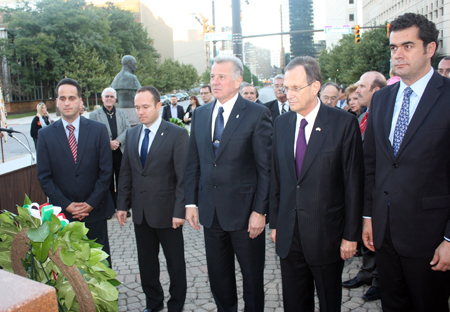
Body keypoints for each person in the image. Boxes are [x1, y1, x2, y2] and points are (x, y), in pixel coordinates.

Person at [363, 13, 450, 312]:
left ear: (430, 49)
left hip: (431, 238)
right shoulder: (382, 99)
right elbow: (371, 164)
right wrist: (368, 217)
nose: (397, 54)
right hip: (385, 236)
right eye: (393, 47)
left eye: (407, 45)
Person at [269, 56, 364, 312]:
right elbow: (277, 178)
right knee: (294, 303)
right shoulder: (281, 124)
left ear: (315, 87)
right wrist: (276, 223)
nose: (288, 94)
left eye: (295, 88)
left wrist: (350, 236)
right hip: (289, 235)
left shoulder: (343, 124)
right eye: (285, 88)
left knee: (328, 302)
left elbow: (354, 184)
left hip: (327, 236)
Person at [185, 55, 272, 312]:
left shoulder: (257, 114)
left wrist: (260, 211)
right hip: (211, 215)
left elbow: (265, 169)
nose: (215, 82)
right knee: (219, 279)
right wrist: (191, 202)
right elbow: (193, 163)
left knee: (252, 278)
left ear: (238, 80)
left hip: (246, 216)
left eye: (221, 76)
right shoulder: (200, 115)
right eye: (212, 76)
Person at [116, 86, 188, 312]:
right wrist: (122, 206)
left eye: (145, 106)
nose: (140, 112)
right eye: (137, 107)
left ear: (159, 105)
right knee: (147, 264)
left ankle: (176, 305)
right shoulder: (132, 134)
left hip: (168, 214)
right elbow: (126, 172)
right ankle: (153, 304)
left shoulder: (177, 134)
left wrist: (180, 211)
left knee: (176, 265)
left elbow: (183, 177)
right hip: (141, 213)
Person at [36, 78, 114, 265]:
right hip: (64, 213)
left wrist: (90, 203)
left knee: (100, 262)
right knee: (70, 267)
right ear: (56, 102)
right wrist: (67, 204)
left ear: (80, 101)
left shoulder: (99, 130)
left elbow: (106, 171)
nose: (67, 102)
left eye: (72, 98)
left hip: (95, 211)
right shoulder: (45, 135)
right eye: (62, 98)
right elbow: (44, 177)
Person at [342, 72, 386, 303]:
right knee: (367, 235)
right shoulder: (364, 116)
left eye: (362, 87)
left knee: (379, 237)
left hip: (380, 191)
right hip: (362, 189)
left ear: (376, 91)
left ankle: (380, 280)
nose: (356, 91)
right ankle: (368, 273)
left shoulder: (385, 116)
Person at [89, 87, 131, 216]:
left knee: (121, 180)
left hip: (120, 151)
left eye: (111, 96)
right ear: (102, 98)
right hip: (103, 152)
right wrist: (108, 143)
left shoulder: (122, 113)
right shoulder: (94, 115)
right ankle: (109, 209)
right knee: (106, 181)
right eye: (106, 96)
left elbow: (128, 129)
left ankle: (122, 208)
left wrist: (117, 141)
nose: (109, 99)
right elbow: (93, 133)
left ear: (115, 99)